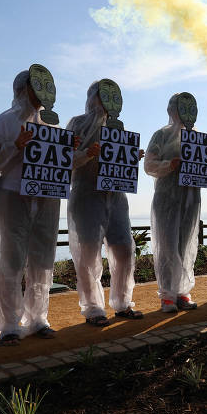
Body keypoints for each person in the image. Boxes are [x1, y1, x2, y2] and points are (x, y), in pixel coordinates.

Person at [0, 68, 67, 346]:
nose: (42, 91)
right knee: (12, 262)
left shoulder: (53, 124)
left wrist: (76, 152)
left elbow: (64, 164)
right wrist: (15, 146)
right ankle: (10, 325)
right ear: (22, 89)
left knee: (41, 262)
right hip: (12, 197)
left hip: (47, 200)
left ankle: (39, 318)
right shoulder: (4, 122)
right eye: (35, 86)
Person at [67, 80, 144, 326]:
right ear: (93, 98)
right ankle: (93, 308)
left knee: (124, 249)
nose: (107, 102)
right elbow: (63, 161)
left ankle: (122, 303)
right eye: (103, 97)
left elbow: (119, 162)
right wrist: (87, 153)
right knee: (88, 253)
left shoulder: (118, 127)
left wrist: (133, 157)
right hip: (87, 195)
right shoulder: (77, 124)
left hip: (116, 197)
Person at [145, 93, 207, 313]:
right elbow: (149, 164)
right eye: (182, 107)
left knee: (185, 246)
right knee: (167, 247)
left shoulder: (197, 138)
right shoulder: (161, 135)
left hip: (190, 199)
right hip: (167, 199)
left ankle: (182, 292)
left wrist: (205, 168)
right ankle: (167, 295)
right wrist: (169, 165)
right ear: (173, 110)